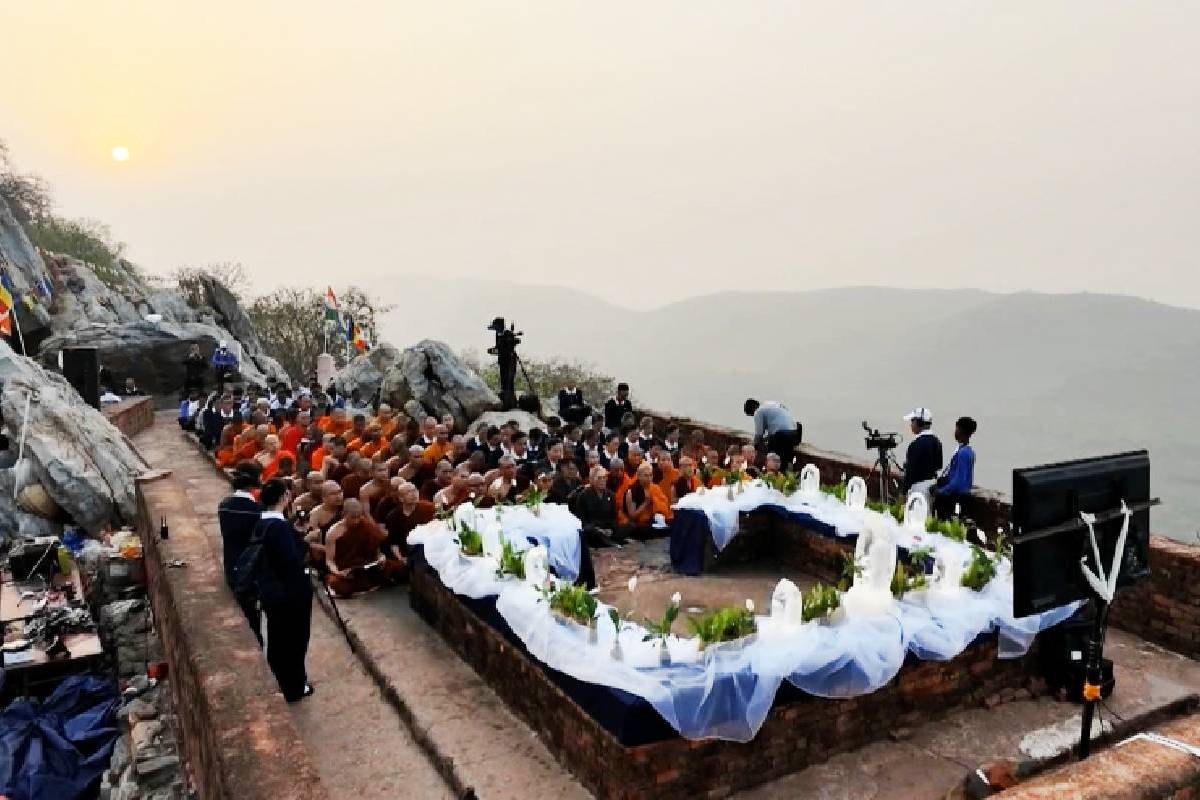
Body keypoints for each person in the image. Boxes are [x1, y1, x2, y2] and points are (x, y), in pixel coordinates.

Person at [253, 479, 314, 702]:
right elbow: (292, 561)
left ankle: (280, 680)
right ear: (283, 498)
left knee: (278, 639)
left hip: (272, 592)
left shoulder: (262, 523)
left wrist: (295, 533)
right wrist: (302, 541)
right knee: (295, 640)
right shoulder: (278, 527)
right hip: (290, 594)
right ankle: (295, 686)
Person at [217, 464, 264, 641]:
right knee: (252, 614)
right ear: (253, 487)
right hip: (250, 569)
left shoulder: (224, 506)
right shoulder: (256, 511)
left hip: (231, 563)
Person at [323, 499, 404, 597]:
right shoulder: (333, 533)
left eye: (359, 517)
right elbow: (329, 560)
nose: (357, 521)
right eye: (353, 518)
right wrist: (338, 573)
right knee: (339, 585)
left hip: (369, 565)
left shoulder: (365, 524)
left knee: (400, 569)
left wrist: (380, 557)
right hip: (348, 569)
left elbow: (376, 546)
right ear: (343, 514)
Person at [932, 417, 977, 519]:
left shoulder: (963, 453)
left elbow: (958, 482)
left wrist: (941, 491)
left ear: (960, 430)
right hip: (960, 495)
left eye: (956, 429)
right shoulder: (967, 450)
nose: (954, 432)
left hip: (957, 498)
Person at [744, 398, 802, 469]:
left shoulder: (758, 411)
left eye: (751, 415)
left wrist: (753, 445)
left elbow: (759, 435)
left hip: (782, 435)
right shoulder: (771, 404)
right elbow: (776, 428)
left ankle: (772, 472)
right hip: (794, 433)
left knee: (771, 455)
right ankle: (787, 470)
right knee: (786, 458)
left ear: (751, 410)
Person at [384, 483, 436, 559]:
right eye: (408, 492)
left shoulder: (429, 508)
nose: (413, 494)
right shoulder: (393, 516)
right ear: (401, 498)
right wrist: (400, 558)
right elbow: (393, 543)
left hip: (428, 549)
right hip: (405, 553)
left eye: (415, 490)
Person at [620, 462, 671, 540]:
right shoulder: (632, 491)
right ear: (639, 476)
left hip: (653, 520)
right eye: (646, 475)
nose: (649, 478)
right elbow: (632, 516)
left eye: (651, 475)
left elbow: (664, 504)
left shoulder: (655, 488)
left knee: (670, 526)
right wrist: (645, 503)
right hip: (638, 523)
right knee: (646, 530)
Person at [901, 407, 943, 500]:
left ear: (918, 423)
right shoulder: (937, 442)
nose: (911, 424)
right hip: (932, 486)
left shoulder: (915, 445)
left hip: (917, 489)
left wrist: (903, 493)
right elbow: (939, 465)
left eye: (912, 421)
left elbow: (910, 473)